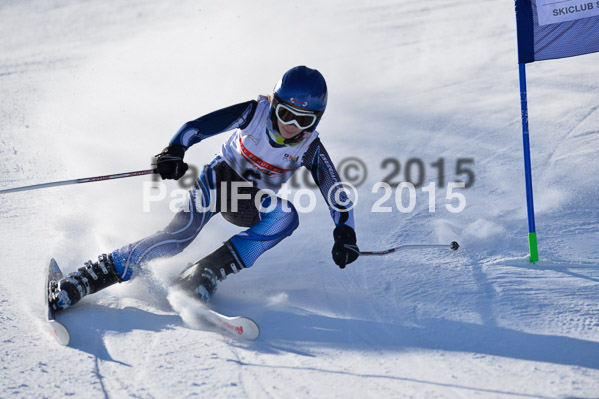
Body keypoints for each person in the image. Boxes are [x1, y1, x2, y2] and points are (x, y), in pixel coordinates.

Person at [49, 65, 360, 311]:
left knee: (286, 216)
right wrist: (175, 150)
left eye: (303, 120)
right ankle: (91, 275)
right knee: (177, 238)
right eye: (285, 113)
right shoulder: (254, 113)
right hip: (219, 180)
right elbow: (196, 127)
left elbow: (335, 191)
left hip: (249, 202)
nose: (291, 126)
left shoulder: (309, 147)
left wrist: (345, 231)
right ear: (274, 104)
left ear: (316, 120)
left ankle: (206, 271)